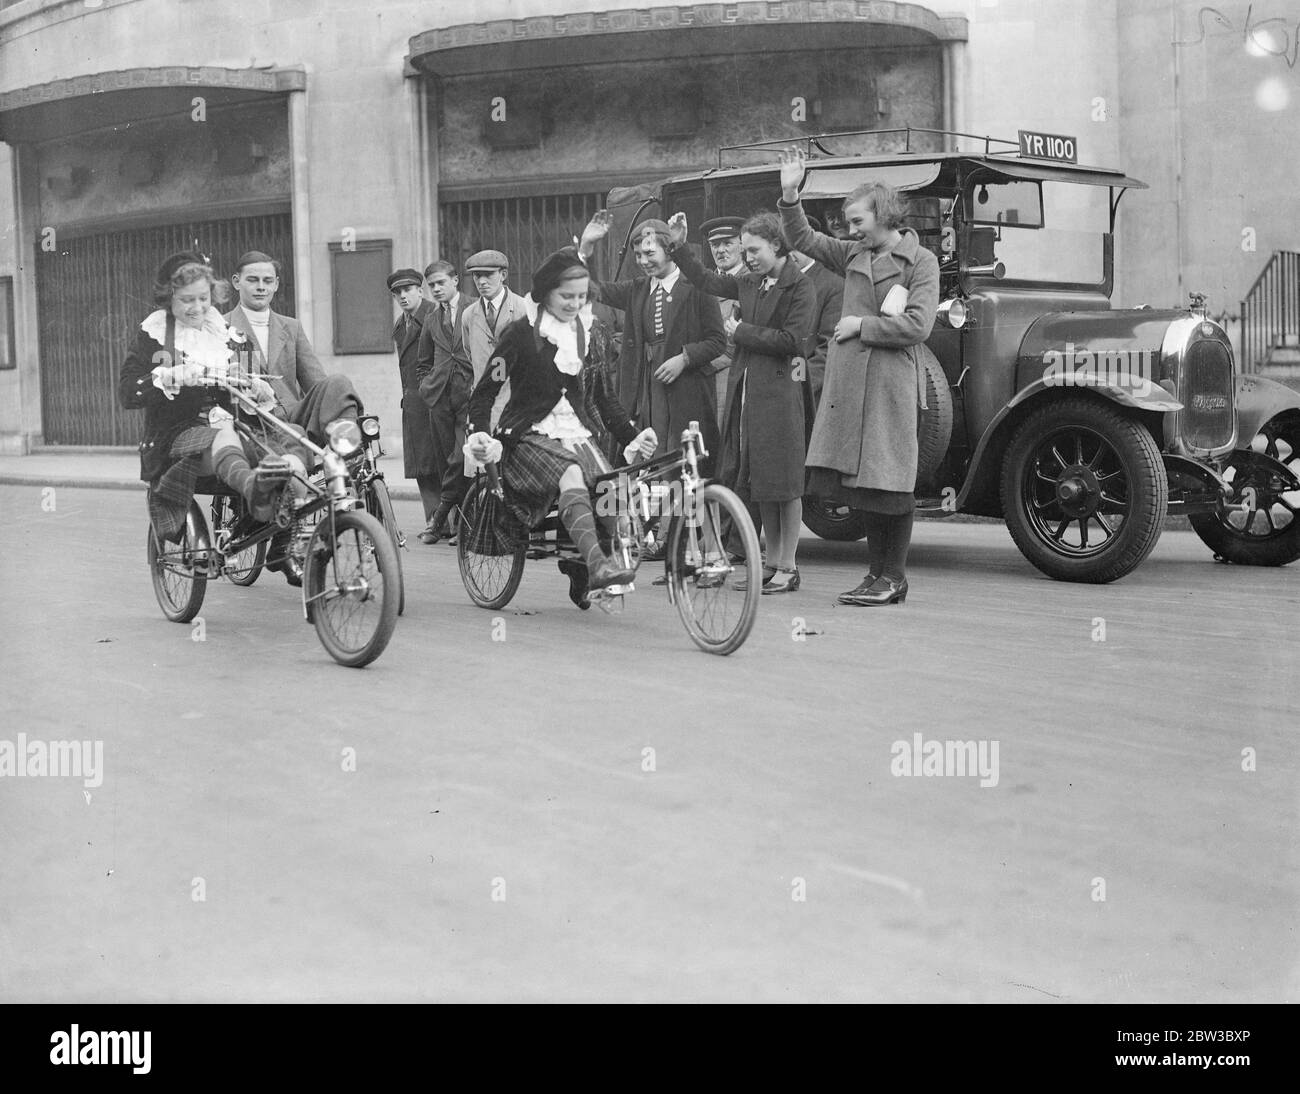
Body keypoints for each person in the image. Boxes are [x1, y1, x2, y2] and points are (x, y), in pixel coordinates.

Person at [778, 148, 940, 606]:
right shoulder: (852, 254)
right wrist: (790, 194)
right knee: (863, 487)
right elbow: (803, 239)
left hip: (889, 385)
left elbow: (919, 325)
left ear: (884, 215)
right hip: (850, 387)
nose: (850, 231)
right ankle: (875, 576)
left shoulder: (920, 262)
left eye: (857, 222)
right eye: (848, 224)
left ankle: (894, 577)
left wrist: (860, 327)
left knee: (891, 480)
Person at [465, 247, 656, 604]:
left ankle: (584, 565)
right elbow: (484, 394)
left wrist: (633, 435)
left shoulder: (591, 334)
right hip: (527, 436)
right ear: (545, 293)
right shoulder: (520, 335)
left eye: (581, 297)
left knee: (610, 487)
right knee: (570, 472)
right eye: (566, 296)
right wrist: (479, 432)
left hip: (577, 435)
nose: (574, 304)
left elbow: (604, 399)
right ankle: (598, 566)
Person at [667, 211, 816, 593]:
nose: (747, 258)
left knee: (785, 483)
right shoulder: (752, 282)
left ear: (777, 245)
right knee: (759, 478)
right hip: (749, 393)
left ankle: (789, 565)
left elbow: (794, 342)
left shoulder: (799, 285)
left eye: (754, 250)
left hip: (781, 394)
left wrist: (741, 331)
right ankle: (771, 562)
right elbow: (706, 279)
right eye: (745, 251)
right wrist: (680, 245)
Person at [119, 252, 308, 544]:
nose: (198, 308)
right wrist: (166, 377)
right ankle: (254, 489)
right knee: (223, 433)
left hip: (236, 428)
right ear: (169, 298)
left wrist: (255, 387)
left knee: (293, 434)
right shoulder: (153, 333)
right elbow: (128, 393)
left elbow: (247, 384)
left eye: (204, 299)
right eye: (187, 300)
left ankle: (287, 526)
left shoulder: (227, 333)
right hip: (178, 439)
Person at [576, 215, 725, 467]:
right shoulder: (637, 289)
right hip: (645, 389)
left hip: (686, 391)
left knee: (684, 462)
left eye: (649, 253)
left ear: (669, 250)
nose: (643, 262)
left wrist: (684, 358)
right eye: (637, 255)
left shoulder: (697, 286)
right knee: (647, 458)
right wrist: (586, 248)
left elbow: (717, 341)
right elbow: (591, 288)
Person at [225, 250, 362, 446]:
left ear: (277, 284)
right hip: (252, 423)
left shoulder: (291, 327)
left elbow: (317, 384)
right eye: (253, 280)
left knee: (338, 383)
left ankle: (347, 447)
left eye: (268, 281)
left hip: (294, 418)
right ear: (237, 281)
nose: (261, 287)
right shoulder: (222, 327)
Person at [415, 259, 473, 544]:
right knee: (445, 458)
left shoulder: (473, 308)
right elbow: (422, 362)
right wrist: (427, 387)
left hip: (470, 393)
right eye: (432, 285)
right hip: (439, 397)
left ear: (455, 281)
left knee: (461, 457)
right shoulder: (430, 319)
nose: (436, 289)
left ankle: (439, 518)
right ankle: (461, 525)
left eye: (441, 283)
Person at [388, 268, 441, 540]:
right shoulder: (401, 324)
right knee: (423, 466)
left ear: (421, 290)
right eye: (397, 293)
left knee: (443, 463)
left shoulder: (435, 315)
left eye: (407, 290)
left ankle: (450, 522)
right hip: (412, 402)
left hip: (436, 400)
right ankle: (434, 520)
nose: (402, 296)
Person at [459, 249, 526, 432]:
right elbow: (470, 354)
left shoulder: (524, 309)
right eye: (476, 275)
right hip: (483, 403)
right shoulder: (468, 316)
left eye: (488, 275)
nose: (481, 281)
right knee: (483, 455)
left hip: (517, 401)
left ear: (503, 275)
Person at [699, 216, 747, 428]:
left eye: (728, 243)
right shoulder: (701, 285)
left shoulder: (751, 282)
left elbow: (734, 346)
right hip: (698, 378)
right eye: (715, 244)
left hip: (731, 378)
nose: (721, 250)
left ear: (742, 244)